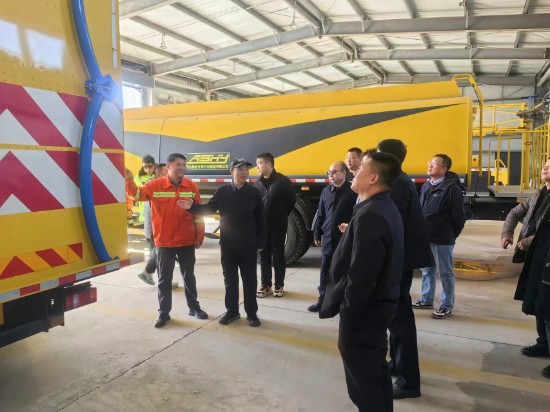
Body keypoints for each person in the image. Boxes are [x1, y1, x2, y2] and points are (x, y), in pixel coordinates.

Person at [320, 152, 404, 412]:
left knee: (364, 385)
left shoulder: (371, 215)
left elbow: (361, 277)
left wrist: (348, 314)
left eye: (362, 167)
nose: (354, 170)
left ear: (374, 177)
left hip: (364, 313)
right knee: (375, 375)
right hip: (378, 308)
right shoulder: (382, 208)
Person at [180, 158, 266, 327]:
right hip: (228, 246)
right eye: (240, 169)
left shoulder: (254, 192)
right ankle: (232, 311)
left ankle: (252, 314)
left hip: (248, 245)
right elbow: (208, 209)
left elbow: (261, 219)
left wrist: (261, 242)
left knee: (250, 281)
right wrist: (192, 207)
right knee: (230, 280)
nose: (244, 173)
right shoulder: (222, 192)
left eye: (246, 169)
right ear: (231, 172)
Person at [377, 139, 433, 399]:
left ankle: (409, 382)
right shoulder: (401, 178)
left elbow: (393, 223)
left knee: (400, 320)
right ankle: (397, 364)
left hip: (398, 261)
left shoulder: (397, 182)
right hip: (401, 259)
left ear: (386, 157)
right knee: (395, 316)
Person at [126, 153, 207, 328]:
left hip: (186, 240)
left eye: (184, 165)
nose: (182, 168)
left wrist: (199, 235)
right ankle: (164, 313)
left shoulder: (191, 186)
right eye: (178, 165)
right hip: (164, 242)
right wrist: (129, 180)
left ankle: (194, 307)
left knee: (189, 276)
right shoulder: (155, 185)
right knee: (164, 279)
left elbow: (198, 213)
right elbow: (137, 194)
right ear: (168, 167)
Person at [413, 154, 465, 320]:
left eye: (434, 163)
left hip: (442, 238)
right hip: (426, 236)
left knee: (445, 273)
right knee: (427, 270)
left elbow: (459, 217)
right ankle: (426, 299)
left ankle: (446, 305)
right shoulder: (426, 185)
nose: (430, 165)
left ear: (444, 169)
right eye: (430, 162)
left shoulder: (452, 189)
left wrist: (451, 235)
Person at [512, 159, 550, 358]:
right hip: (538, 254)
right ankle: (543, 342)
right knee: (538, 297)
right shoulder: (538, 195)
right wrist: (508, 234)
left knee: (546, 301)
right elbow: (514, 213)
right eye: (545, 165)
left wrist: (527, 241)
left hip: (546, 254)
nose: (545, 168)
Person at [308, 161, 356, 312]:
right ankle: (322, 300)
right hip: (328, 238)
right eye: (329, 172)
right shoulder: (326, 192)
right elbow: (321, 214)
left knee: (342, 271)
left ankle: (342, 303)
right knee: (325, 271)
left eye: (334, 172)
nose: (331, 175)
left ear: (344, 173)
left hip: (344, 239)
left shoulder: (353, 191)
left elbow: (357, 215)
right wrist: (317, 231)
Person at [254, 153, 296, 298]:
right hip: (262, 227)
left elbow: (291, 201)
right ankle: (266, 285)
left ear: (269, 164)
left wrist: (281, 215)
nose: (257, 167)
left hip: (278, 226)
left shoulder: (283, 181)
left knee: (278, 255)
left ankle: (279, 285)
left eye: (260, 163)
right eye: (257, 164)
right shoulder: (257, 184)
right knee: (263, 256)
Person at [138, 164, 178, 289]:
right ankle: (148, 272)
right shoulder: (154, 186)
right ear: (159, 174)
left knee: (160, 254)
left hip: (154, 228)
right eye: (166, 172)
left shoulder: (154, 185)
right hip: (155, 228)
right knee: (161, 254)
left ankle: (161, 279)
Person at [134, 155, 156, 224]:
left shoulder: (160, 175)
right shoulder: (139, 177)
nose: (147, 169)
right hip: (145, 210)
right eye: (145, 167)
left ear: (154, 165)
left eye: (150, 166)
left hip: (157, 210)